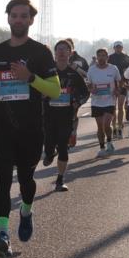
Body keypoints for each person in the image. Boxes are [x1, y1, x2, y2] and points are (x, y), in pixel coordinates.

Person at [0, 0, 60, 258]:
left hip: (31, 127)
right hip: (2, 126)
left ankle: (26, 210)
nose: (19, 20)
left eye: (24, 16)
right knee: (2, 179)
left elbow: (55, 91)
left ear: (31, 20)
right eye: (14, 15)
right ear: (8, 18)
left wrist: (30, 77)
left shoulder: (41, 53)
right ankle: (2, 233)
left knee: (26, 180)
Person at [44, 40, 88, 192]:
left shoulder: (74, 74)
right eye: (59, 49)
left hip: (66, 115)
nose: (62, 52)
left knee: (63, 146)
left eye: (65, 49)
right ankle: (49, 153)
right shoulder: (47, 72)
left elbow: (85, 93)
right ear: (55, 53)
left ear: (70, 53)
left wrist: (77, 102)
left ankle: (60, 179)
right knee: (48, 145)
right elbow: (36, 89)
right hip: (48, 115)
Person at [87, 48, 122, 157]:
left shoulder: (113, 68)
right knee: (100, 127)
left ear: (107, 57)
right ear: (97, 57)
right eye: (99, 56)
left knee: (106, 125)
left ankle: (110, 142)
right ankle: (102, 147)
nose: (101, 58)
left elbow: (119, 82)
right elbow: (88, 83)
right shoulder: (92, 69)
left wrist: (117, 90)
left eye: (103, 55)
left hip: (109, 101)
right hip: (96, 102)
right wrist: (91, 89)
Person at [66, 38, 89, 148]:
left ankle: (73, 133)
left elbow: (87, 75)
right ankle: (64, 137)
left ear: (72, 48)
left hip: (77, 92)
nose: (65, 50)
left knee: (73, 114)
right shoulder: (57, 58)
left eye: (68, 47)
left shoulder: (81, 60)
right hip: (62, 92)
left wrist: (76, 68)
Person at [107, 41, 129, 135]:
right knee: (113, 107)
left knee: (120, 106)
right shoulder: (110, 58)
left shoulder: (127, 58)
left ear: (122, 47)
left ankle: (120, 126)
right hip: (112, 85)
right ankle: (113, 126)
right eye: (116, 47)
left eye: (120, 47)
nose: (118, 48)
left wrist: (127, 81)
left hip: (123, 84)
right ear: (114, 48)